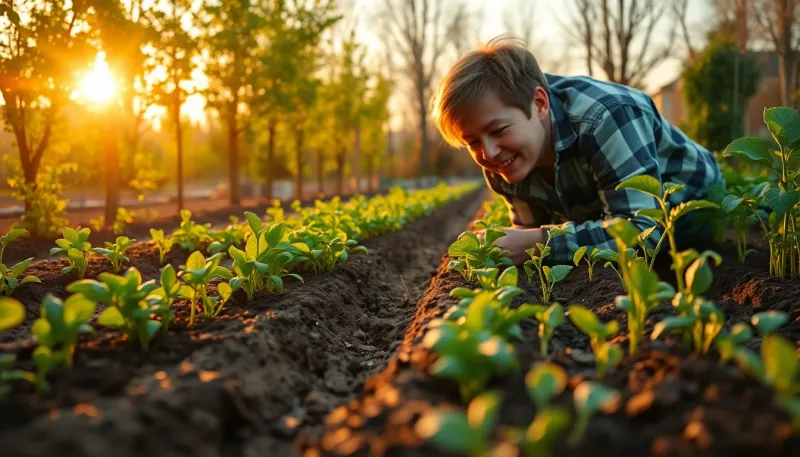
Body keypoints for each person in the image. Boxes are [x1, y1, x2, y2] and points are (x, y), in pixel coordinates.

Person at [430, 35, 724, 265]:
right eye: (472, 142)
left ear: (540, 104)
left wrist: (538, 243)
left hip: (693, 215)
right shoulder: (502, 160)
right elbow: (532, 231)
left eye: (498, 130)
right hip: (608, 213)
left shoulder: (606, 116)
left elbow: (644, 233)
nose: (489, 153)